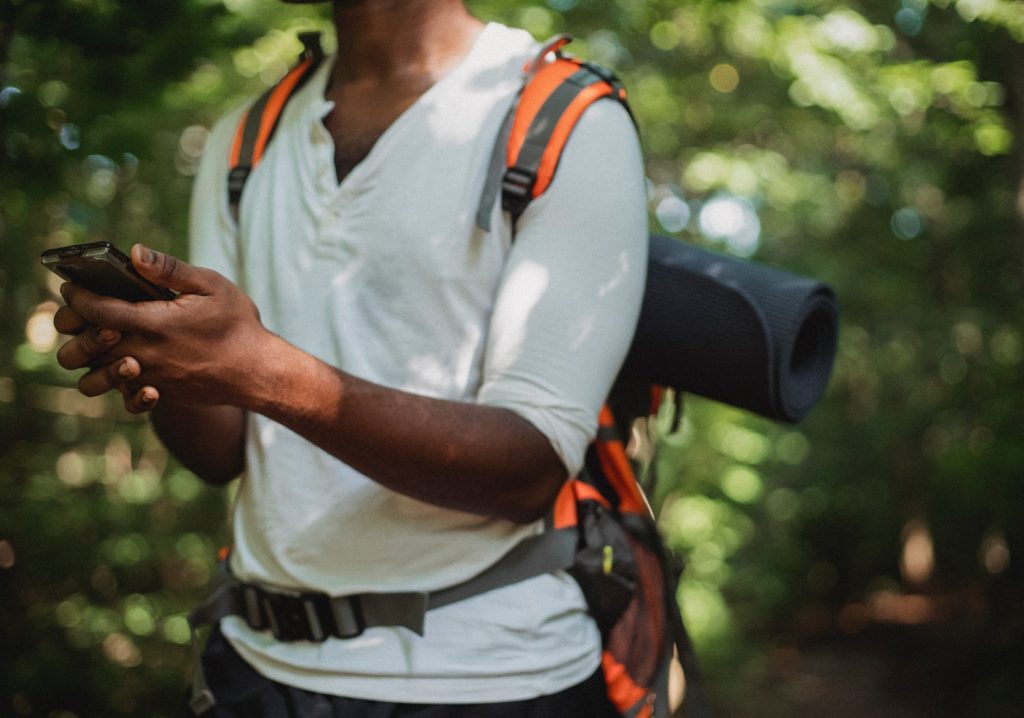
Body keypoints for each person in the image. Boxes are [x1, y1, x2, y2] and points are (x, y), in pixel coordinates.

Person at [52, 0, 648, 714]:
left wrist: (260, 370)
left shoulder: (564, 118)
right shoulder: (248, 137)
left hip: (492, 676)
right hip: (253, 666)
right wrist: (155, 353)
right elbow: (223, 453)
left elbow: (528, 469)